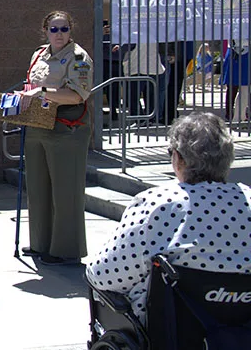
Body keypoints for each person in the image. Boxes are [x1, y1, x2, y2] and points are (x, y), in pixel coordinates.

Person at [86, 112, 251, 325]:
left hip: (172, 331)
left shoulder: (159, 203)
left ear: (179, 159)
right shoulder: (247, 198)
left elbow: (104, 274)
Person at [20, 11, 93, 265]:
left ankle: (65, 249)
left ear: (71, 30)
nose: (59, 34)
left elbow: (77, 94)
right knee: (38, 188)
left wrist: (43, 92)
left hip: (66, 126)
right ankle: (41, 243)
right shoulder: (39, 54)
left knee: (66, 190)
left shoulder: (78, 57)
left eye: (64, 29)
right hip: (38, 123)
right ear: (45, 30)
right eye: (54, 29)